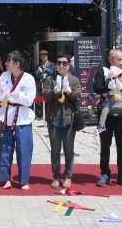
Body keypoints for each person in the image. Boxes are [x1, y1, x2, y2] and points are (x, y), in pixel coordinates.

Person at [93, 49, 122, 187]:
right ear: (110, 59)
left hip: (121, 114)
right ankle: (105, 173)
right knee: (105, 146)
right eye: (118, 59)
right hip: (106, 114)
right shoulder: (103, 72)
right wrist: (109, 86)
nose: (121, 62)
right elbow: (96, 88)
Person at [0, 50, 36, 190]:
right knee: (5, 147)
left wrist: (18, 96)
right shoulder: (4, 76)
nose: (6, 64)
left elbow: (29, 100)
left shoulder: (28, 78)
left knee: (24, 149)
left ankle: (23, 180)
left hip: (23, 117)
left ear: (17, 64)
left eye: (8, 62)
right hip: (7, 115)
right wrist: (1, 90)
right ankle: (5, 179)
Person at [42, 51, 81, 190]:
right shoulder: (50, 79)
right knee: (55, 150)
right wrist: (55, 90)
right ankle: (56, 177)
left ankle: (68, 177)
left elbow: (78, 97)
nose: (61, 66)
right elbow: (45, 95)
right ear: (55, 65)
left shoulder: (74, 80)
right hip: (53, 120)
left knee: (69, 150)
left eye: (64, 63)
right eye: (59, 63)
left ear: (69, 65)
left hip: (69, 120)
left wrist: (68, 91)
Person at [96, 66, 122, 137]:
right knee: (104, 111)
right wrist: (107, 88)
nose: (117, 79)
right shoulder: (109, 83)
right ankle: (101, 125)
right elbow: (103, 93)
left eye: (119, 77)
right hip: (109, 102)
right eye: (115, 78)